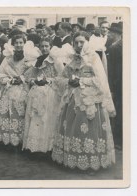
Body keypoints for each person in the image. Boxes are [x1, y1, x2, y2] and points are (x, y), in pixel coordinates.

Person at [51, 31, 116, 171]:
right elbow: (60, 79)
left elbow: (100, 80)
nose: (79, 45)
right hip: (73, 99)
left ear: (87, 42)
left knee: (89, 129)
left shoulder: (93, 58)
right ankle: (71, 158)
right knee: (71, 127)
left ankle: (91, 162)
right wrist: (69, 81)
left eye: (82, 42)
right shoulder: (71, 58)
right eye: (76, 42)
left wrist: (81, 81)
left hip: (90, 100)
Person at [0, 34, 40, 147]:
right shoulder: (8, 58)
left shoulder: (29, 57)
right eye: (16, 43)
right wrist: (8, 80)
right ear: (13, 45)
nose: (18, 45)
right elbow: (0, 74)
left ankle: (18, 141)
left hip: (23, 88)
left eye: (20, 43)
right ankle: (5, 140)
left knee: (19, 110)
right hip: (8, 87)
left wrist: (22, 79)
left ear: (24, 44)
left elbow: (33, 74)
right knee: (4, 106)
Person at [22, 37, 64, 153]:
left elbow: (62, 77)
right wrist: (33, 81)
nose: (44, 48)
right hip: (36, 92)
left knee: (47, 119)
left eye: (47, 46)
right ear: (39, 48)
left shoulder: (55, 60)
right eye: (42, 46)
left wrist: (49, 80)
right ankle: (35, 147)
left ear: (50, 47)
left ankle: (47, 147)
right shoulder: (37, 61)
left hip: (50, 93)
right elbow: (29, 77)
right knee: (36, 118)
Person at [107, 22, 123, 149]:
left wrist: (111, 86)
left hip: (118, 83)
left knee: (118, 109)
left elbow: (112, 70)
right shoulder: (121, 45)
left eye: (111, 32)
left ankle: (118, 140)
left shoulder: (114, 47)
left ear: (116, 34)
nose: (108, 34)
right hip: (122, 83)